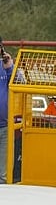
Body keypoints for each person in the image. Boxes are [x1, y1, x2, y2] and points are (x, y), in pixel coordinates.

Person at [0, 37, 14, 183]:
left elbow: (19, 83)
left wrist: (10, 67)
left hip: (4, 126)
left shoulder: (5, 67)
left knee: (3, 174)